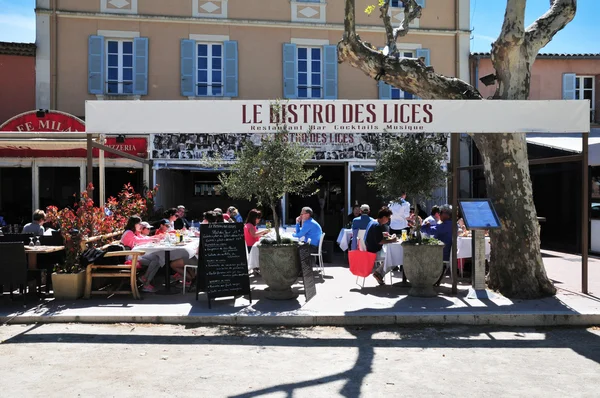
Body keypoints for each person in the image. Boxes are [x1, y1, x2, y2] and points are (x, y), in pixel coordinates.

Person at [120, 216, 163, 293]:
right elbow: (138, 240)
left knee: (157, 258)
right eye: (139, 223)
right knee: (155, 261)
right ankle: (146, 283)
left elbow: (143, 237)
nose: (140, 225)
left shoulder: (133, 232)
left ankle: (145, 278)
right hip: (130, 256)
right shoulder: (128, 232)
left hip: (134, 254)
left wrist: (156, 237)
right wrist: (153, 239)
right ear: (134, 224)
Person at [367, 207, 397, 286]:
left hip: (369, 249)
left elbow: (376, 236)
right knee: (394, 259)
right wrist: (392, 240)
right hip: (374, 251)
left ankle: (379, 273)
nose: (388, 220)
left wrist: (384, 234)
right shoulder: (377, 226)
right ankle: (378, 273)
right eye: (388, 218)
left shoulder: (373, 222)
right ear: (384, 217)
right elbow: (380, 241)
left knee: (392, 256)